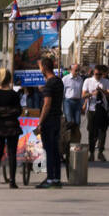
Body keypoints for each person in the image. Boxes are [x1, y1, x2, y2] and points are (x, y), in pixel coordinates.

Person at [0, 69, 23, 188]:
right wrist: (9, 112)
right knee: (12, 153)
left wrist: (0, 113)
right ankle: (12, 181)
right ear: (9, 78)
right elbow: (18, 111)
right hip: (12, 126)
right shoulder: (14, 94)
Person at [36, 56, 65, 189]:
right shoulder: (58, 81)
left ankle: (50, 179)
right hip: (57, 118)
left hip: (49, 120)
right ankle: (56, 178)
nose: (40, 69)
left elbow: (47, 104)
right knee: (55, 149)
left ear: (44, 68)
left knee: (49, 150)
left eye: (40, 67)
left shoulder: (49, 84)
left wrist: (40, 122)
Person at [83, 64, 109, 162]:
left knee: (102, 132)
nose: (98, 76)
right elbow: (83, 95)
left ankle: (100, 152)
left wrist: (102, 91)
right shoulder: (88, 81)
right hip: (92, 109)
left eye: (100, 74)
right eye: (96, 74)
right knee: (92, 132)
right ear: (93, 73)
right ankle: (91, 153)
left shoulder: (106, 81)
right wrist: (92, 94)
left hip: (102, 109)